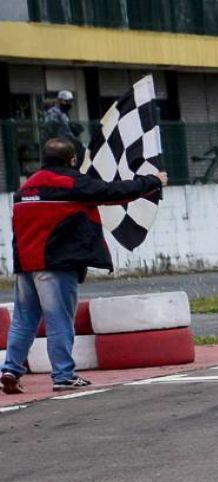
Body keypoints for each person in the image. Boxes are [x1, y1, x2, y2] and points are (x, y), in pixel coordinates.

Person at [1, 139, 167, 394]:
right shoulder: (71, 183)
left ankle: (10, 369)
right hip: (57, 264)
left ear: (43, 160)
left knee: (24, 321)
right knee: (59, 320)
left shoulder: (25, 188)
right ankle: (63, 375)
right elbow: (114, 192)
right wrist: (153, 181)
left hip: (25, 264)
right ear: (72, 161)